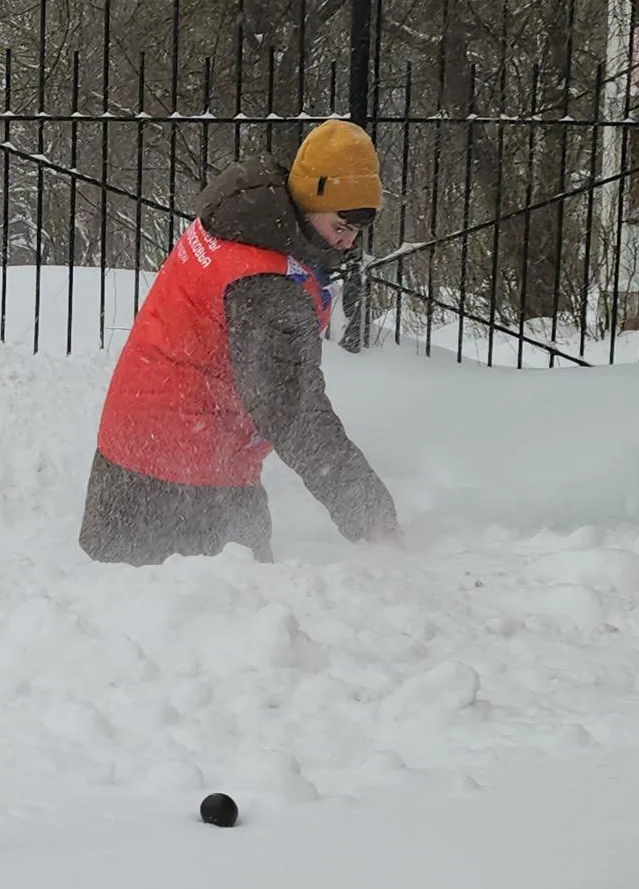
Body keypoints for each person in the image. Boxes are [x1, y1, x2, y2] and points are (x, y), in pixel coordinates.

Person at [79, 118, 399, 565]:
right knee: (233, 619)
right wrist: (372, 518)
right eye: (340, 227)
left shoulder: (249, 220)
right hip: (179, 479)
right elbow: (291, 409)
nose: (347, 244)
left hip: (141, 450)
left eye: (356, 233)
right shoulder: (264, 280)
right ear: (309, 202)